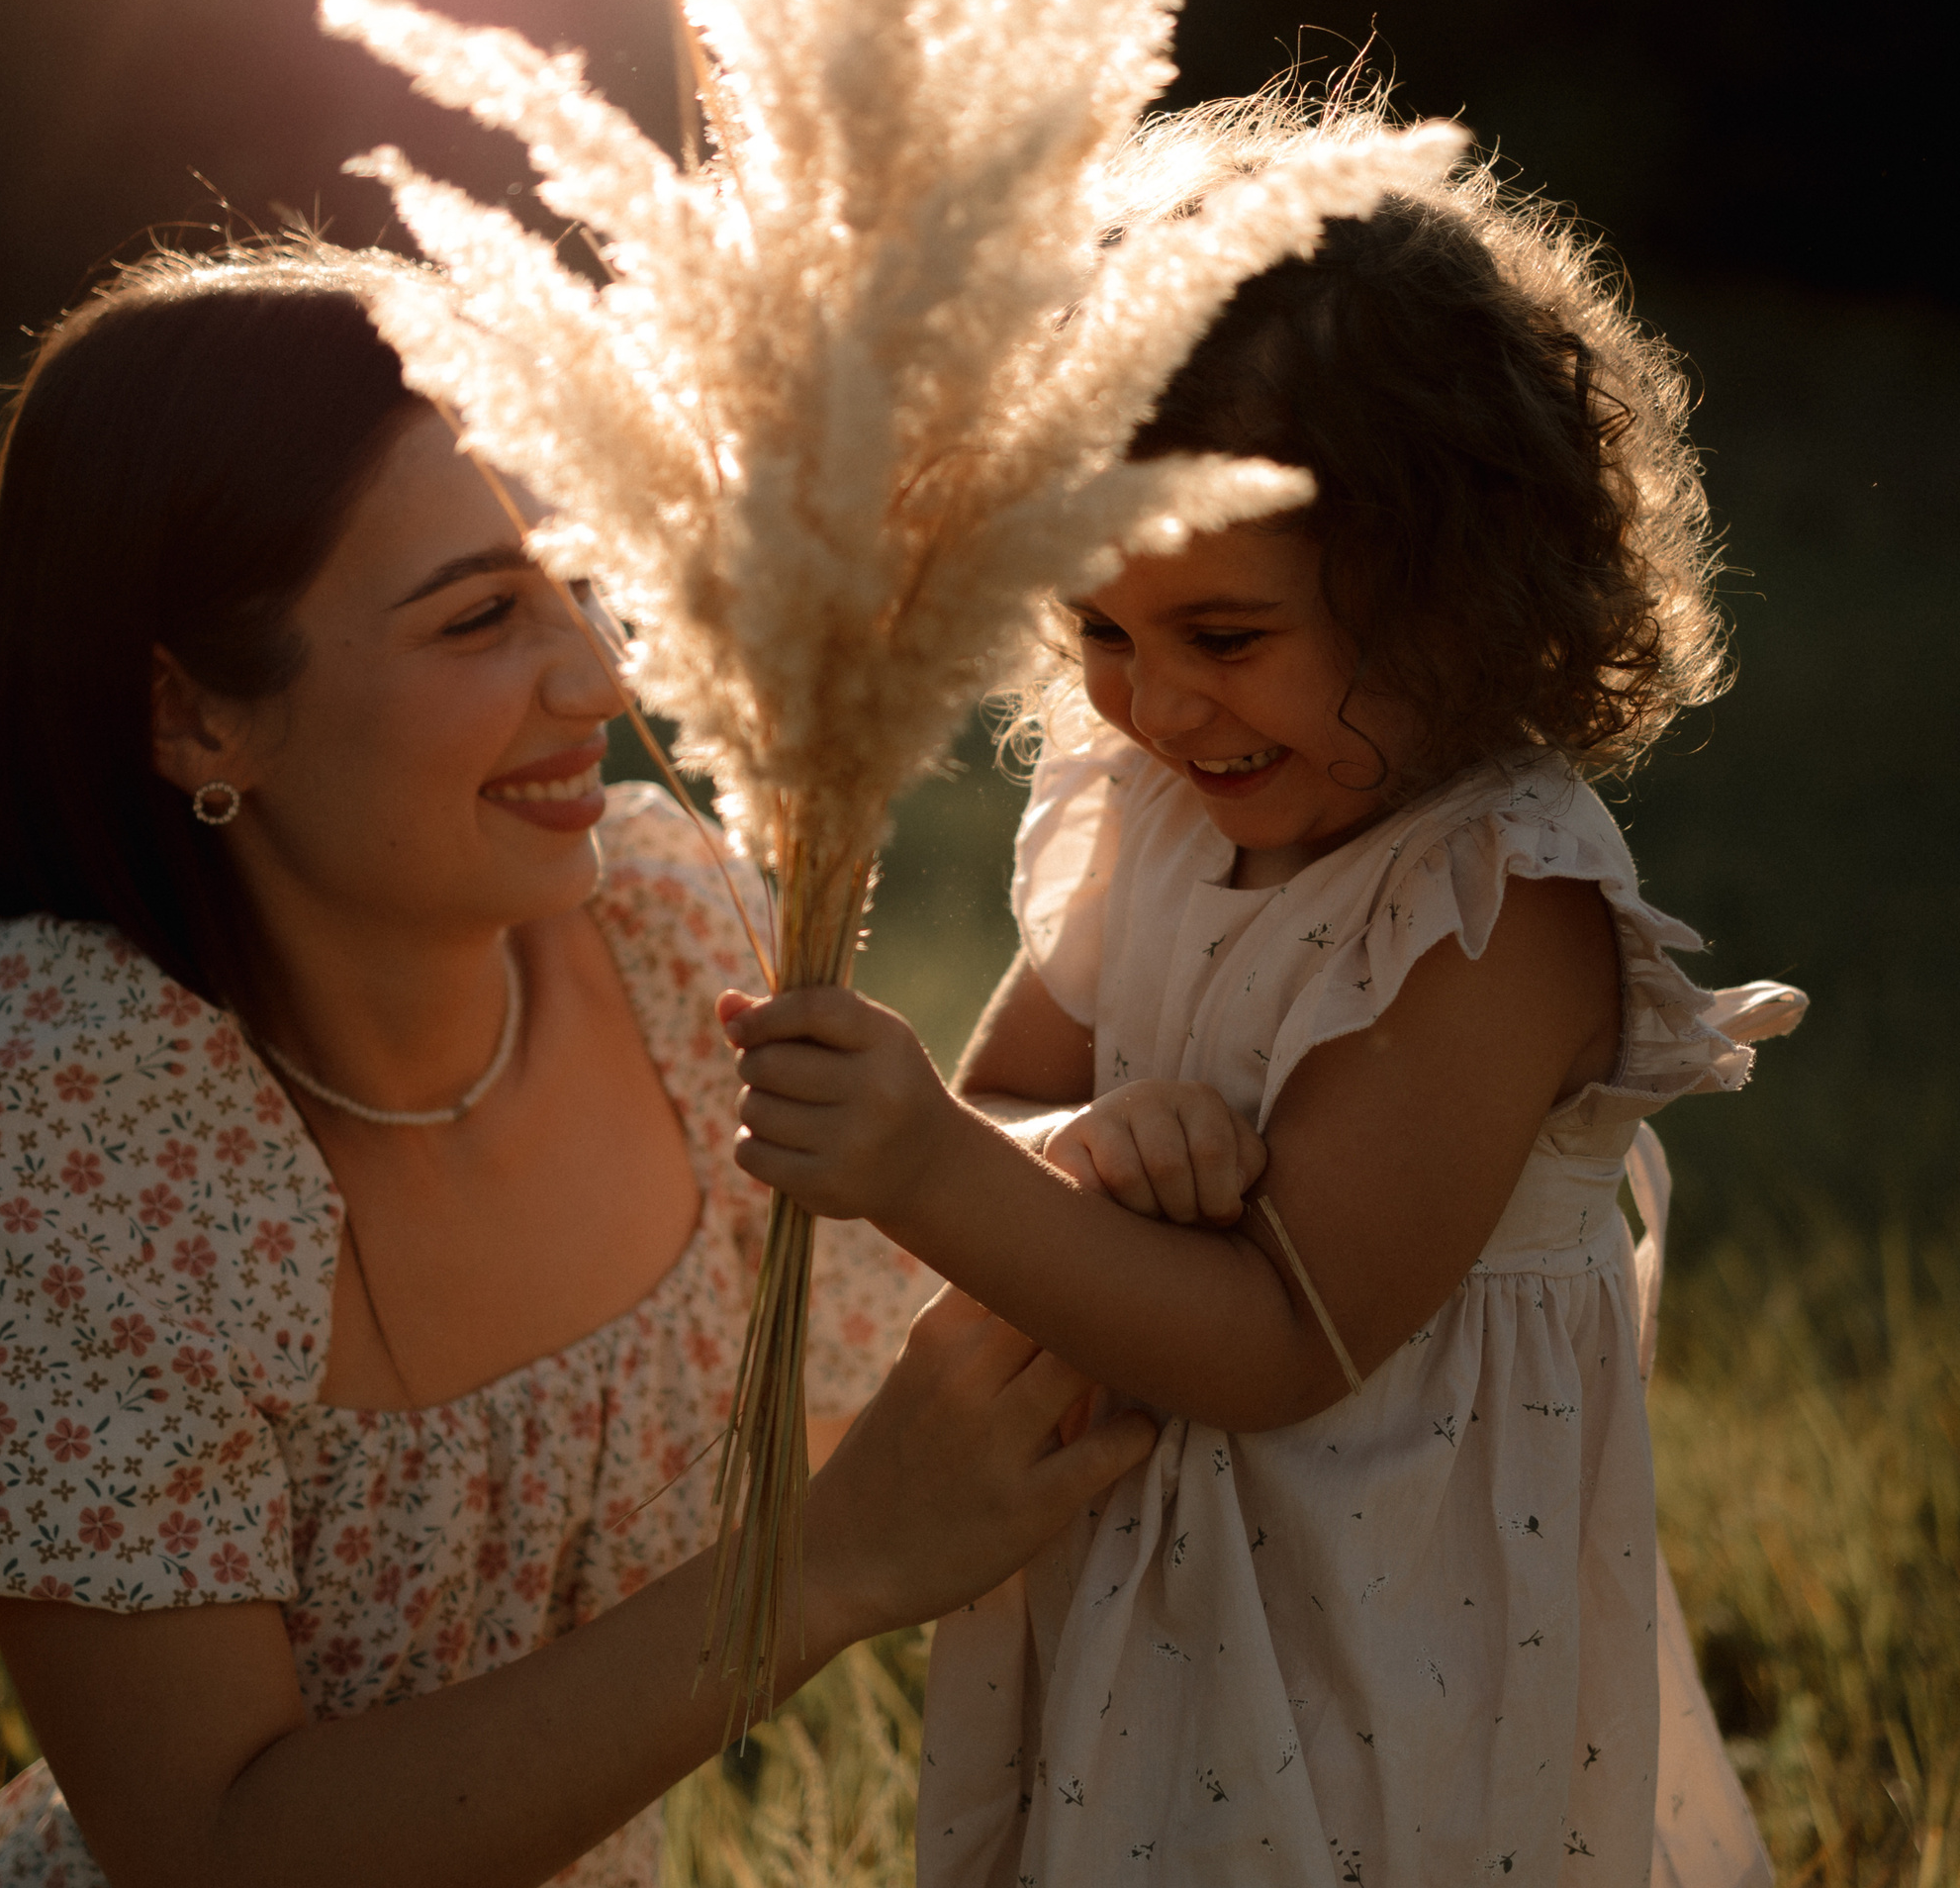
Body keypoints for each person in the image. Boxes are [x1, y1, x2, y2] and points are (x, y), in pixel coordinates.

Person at [0, 245, 1159, 1888]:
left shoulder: (675, 935)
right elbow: (207, 1848)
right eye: (481, 615)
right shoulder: (59, 1110)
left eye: (583, 584)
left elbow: (909, 1389)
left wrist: (1118, 1140)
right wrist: (817, 1574)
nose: (601, 681)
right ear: (192, 719)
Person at [720, 99, 1802, 1886]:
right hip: (1141, 1571)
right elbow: (1008, 1109)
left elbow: (1288, 1343)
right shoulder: (1144, 815)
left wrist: (932, 1169)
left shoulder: (1492, 902)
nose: (1155, 706)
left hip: (1380, 1624)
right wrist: (1074, 1136)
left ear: (1455, 586)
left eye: (1227, 636)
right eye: (1099, 630)